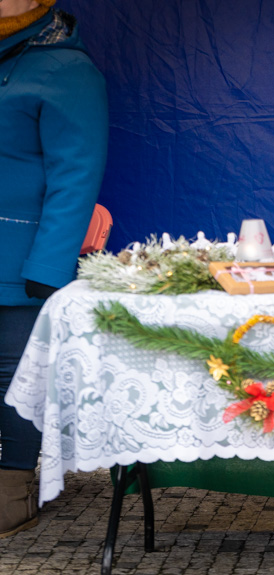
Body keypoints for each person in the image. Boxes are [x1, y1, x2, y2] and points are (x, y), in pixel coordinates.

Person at [0, 0, 108, 538]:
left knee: (14, 375)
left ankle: (12, 494)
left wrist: (47, 268)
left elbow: (77, 175)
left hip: (18, 259)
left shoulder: (68, 70)